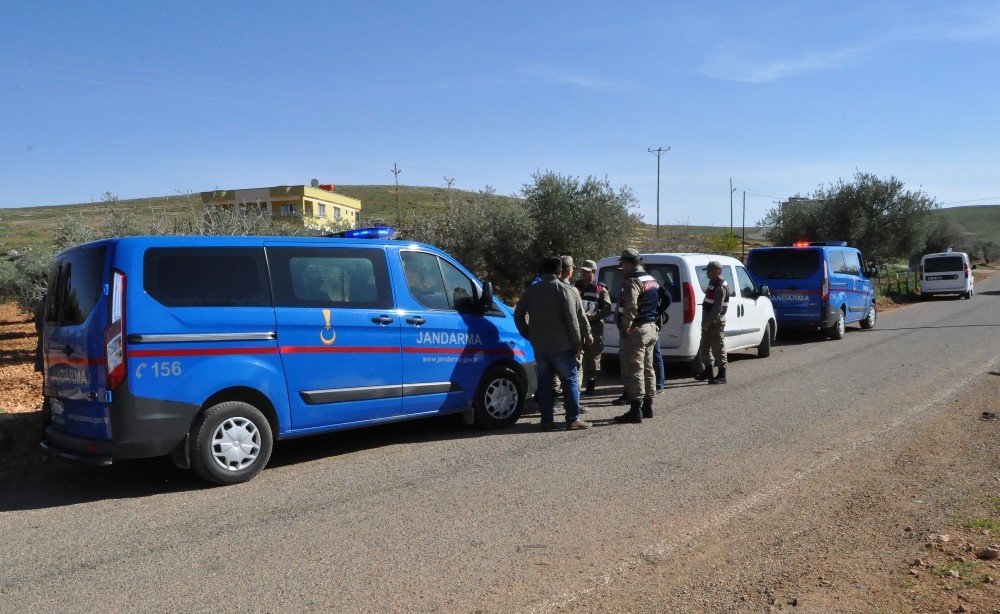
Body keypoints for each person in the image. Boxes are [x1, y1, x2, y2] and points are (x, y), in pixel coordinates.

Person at [514, 256, 592, 430]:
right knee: (570, 380)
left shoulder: (532, 290)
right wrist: (578, 346)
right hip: (562, 346)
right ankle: (572, 419)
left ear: (543, 271)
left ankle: (547, 420)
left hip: (540, 346)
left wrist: (527, 334)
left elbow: (518, 315)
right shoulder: (564, 289)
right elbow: (572, 320)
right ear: (559, 271)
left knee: (545, 383)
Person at [613, 249, 661, 424]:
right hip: (651, 329)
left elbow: (631, 305)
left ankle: (635, 410)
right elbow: (664, 298)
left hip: (637, 330)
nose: (622, 268)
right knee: (648, 368)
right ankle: (648, 406)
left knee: (634, 369)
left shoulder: (633, 280)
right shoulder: (651, 279)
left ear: (628, 263)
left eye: (623, 264)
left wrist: (628, 326)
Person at [574, 260, 612, 395]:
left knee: (593, 355)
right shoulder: (575, 286)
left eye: (587, 271)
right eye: (583, 270)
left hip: (594, 326)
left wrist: (592, 317)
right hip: (577, 326)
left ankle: (591, 384)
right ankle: (575, 385)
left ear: (593, 272)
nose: (584, 273)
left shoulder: (600, 288)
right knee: (576, 353)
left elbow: (607, 309)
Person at [694, 260, 729, 384]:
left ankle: (722, 374)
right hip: (708, 321)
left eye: (710, 270)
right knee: (704, 346)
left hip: (715, 321)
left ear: (717, 271)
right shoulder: (713, 283)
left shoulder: (720, 285)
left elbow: (717, 308)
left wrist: (708, 322)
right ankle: (708, 371)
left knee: (718, 347)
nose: (707, 273)